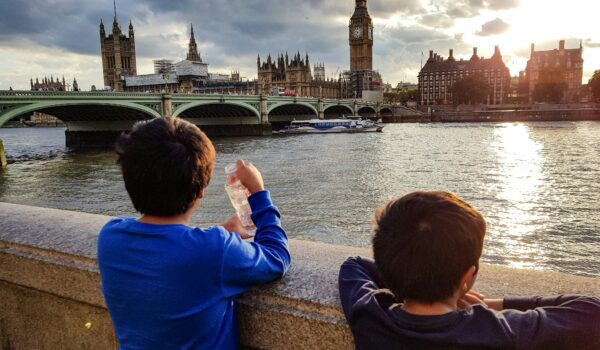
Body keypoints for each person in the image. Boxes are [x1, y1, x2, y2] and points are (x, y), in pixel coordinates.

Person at [97, 117, 290, 349]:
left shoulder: (110, 237)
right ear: (200, 190)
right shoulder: (216, 249)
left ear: (129, 180)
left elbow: (167, 250)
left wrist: (222, 231)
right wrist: (258, 192)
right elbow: (277, 257)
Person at [339, 191, 600, 350]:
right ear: (467, 276)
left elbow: (353, 266)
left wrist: (407, 278)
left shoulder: (369, 315)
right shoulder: (503, 333)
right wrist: (494, 303)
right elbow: (591, 311)